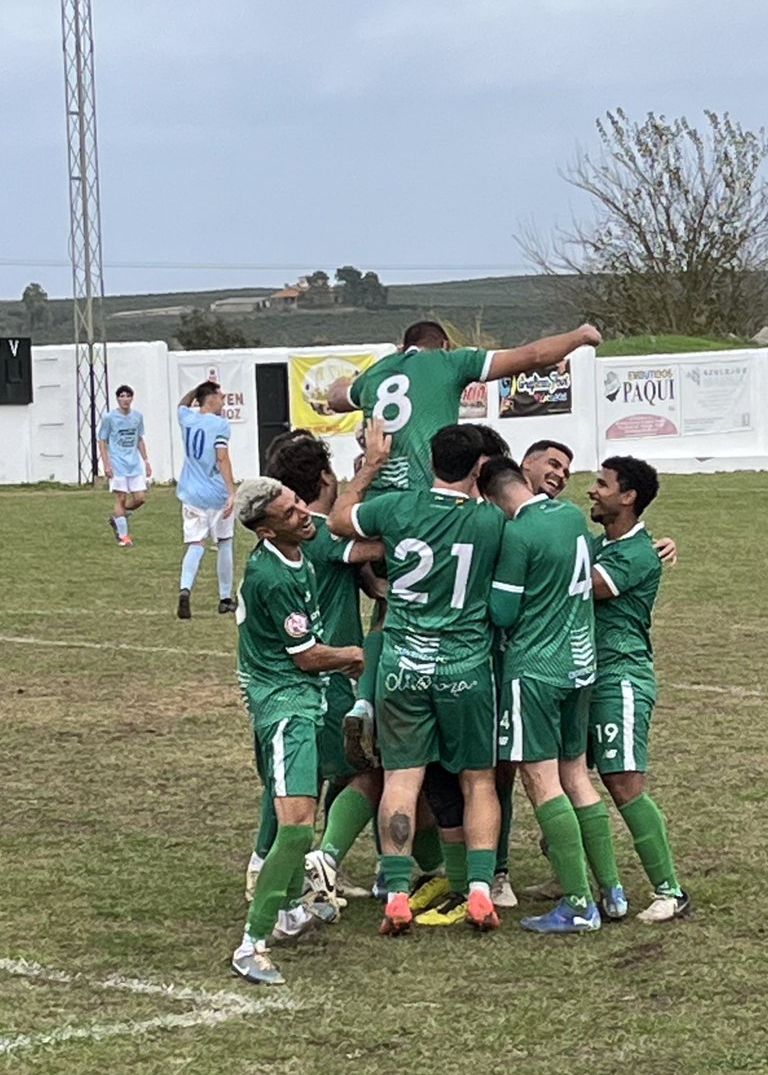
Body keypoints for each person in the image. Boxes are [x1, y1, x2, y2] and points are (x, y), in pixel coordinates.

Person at [327, 422, 505, 936]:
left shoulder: (396, 508)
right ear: (477, 469)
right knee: (477, 780)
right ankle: (479, 891)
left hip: (402, 664)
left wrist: (370, 468)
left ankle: (398, 895)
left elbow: (338, 519)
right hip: (464, 668)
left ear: (430, 461)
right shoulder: (490, 520)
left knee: (402, 778)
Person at [479, 457, 624, 934]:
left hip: (535, 672)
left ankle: (579, 904)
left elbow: (503, 612)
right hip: (580, 666)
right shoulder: (569, 516)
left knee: (541, 780)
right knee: (577, 776)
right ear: (523, 481)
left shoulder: (518, 533)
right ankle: (612, 891)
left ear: (491, 498)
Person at [230, 477, 365, 986]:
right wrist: (353, 655)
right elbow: (306, 656)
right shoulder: (274, 577)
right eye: (289, 513)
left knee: (293, 815)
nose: (304, 512)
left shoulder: (296, 557)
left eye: (298, 502)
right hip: (286, 707)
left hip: (294, 699)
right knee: (297, 827)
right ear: (266, 530)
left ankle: (288, 911)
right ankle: (251, 944)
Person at [326, 319, 602, 495]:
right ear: (445, 344)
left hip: (377, 497)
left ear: (403, 348)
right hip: (425, 494)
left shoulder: (377, 372)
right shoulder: (450, 361)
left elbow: (336, 398)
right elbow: (535, 356)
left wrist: (353, 379)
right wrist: (581, 335)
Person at [587, 457, 691, 923]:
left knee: (623, 781)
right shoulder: (601, 545)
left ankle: (670, 890)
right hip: (583, 675)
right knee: (567, 776)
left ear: (627, 497)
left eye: (602, 484)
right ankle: (572, 873)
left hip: (620, 677)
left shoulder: (637, 553)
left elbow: (588, 586)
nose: (592, 490)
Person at [175, 381, 237, 619]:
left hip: (191, 493)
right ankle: (225, 598)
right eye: (220, 396)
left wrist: (197, 389)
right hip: (215, 493)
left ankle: (185, 588)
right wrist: (231, 491)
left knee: (195, 544)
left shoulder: (187, 418)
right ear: (211, 399)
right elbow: (222, 458)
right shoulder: (220, 425)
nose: (223, 400)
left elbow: (182, 404)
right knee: (225, 542)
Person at [96, 384, 151, 546]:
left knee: (140, 498)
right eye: (122, 396)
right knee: (121, 497)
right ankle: (123, 536)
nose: (125, 399)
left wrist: (146, 461)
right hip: (117, 464)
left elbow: (139, 439)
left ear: (132, 398)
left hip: (133, 464)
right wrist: (106, 464)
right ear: (117, 399)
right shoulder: (109, 418)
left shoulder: (137, 417)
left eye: (128, 396)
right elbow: (102, 440)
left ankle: (119, 517)